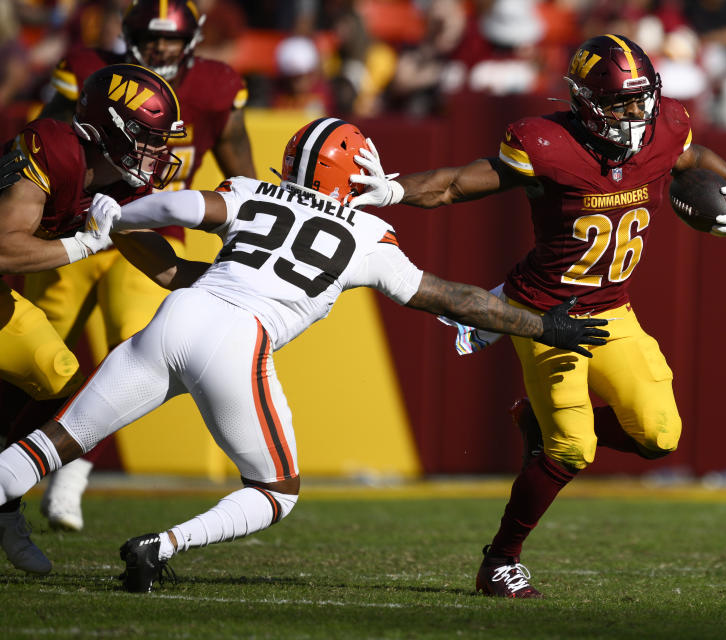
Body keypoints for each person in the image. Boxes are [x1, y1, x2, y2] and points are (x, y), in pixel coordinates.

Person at [0, 116, 609, 592]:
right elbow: (449, 298)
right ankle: (160, 548)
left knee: (53, 443)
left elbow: (181, 207)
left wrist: (114, 219)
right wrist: (541, 327)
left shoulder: (250, 189)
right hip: (239, 343)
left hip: (179, 314)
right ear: (354, 175)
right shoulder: (370, 235)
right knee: (276, 491)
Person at [350, 33, 726, 597]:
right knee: (572, 449)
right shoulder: (547, 145)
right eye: (619, 103)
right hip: (545, 312)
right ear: (588, 103)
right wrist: (392, 191)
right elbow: (452, 186)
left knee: (660, 435)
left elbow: (692, 157)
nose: (634, 114)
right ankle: (500, 559)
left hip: (612, 309)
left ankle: (533, 423)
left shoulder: (665, 126)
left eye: (640, 100)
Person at [23, 0, 256, 534]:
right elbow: (50, 147)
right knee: (34, 358)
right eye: (151, 38)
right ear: (128, 35)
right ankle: (15, 473)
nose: (161, 48)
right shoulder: (86, 67)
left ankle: (73, 471)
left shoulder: (217, 86)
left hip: (147, 234)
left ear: (191, 41)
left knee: (137, 352)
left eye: (171, 39)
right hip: (77, 227)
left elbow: (237, 163)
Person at [0, 62, 185, 575]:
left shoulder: (121, 187)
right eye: (149, 138)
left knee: (61, 382)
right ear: (112, 129)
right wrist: (83, 244)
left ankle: (3, 501)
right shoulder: (51, 146)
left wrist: (245, 276)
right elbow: (3, 248)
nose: (160, 153)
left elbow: (167, 269)